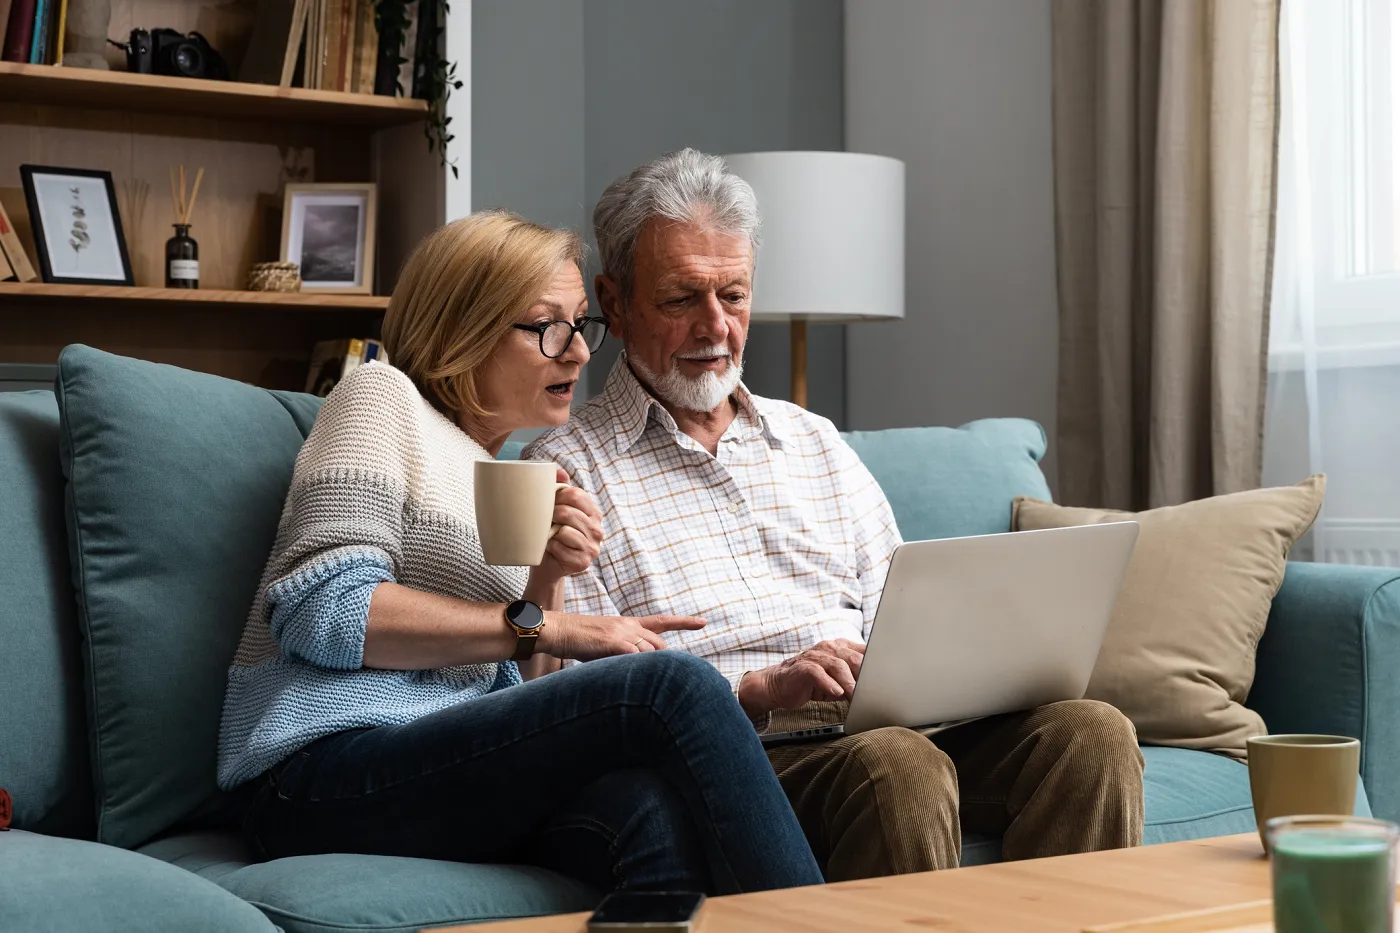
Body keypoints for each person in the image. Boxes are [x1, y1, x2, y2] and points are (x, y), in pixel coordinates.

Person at [524, 150, 1147, 881]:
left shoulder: (812, 439)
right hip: (742, 750)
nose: (715, 326)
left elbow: (902, 613)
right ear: (617, 301)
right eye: (681, 299)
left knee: (1092, 733)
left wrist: (961, 664)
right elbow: (578, 700)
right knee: (896, 765)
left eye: (733, 294)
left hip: (882, 718)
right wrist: (761, 691)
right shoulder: (567, 469)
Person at [216, 210, 823, 896]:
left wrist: (547, 574)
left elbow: (521, 688)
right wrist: (554, 625)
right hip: (316, 769)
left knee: (649, 813)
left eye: (581, 325)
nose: (579, 352)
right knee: (673, 684)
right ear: (464, 328)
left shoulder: (504, 472)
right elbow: (322, 611)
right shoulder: (380, 398)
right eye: (547, 327)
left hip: (443, 759)